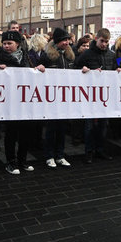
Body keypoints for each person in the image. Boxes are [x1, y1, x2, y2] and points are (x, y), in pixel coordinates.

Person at [0, 31, 44, 175]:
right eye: (4, 43)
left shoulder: (27, 57)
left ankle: (22, 160)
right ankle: (11, 162)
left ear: (17, 44)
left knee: (26, 134)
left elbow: (32, 74)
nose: (6, 46)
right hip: (9, 103)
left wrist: (39, 70)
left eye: (9, 43)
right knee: (11, 134)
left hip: (25, 102)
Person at [75, 28, 119, 163]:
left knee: (103, 125)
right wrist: (83, 70)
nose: (104, 44)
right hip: (90, 95)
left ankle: (99, 149)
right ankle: (89, 151)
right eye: (102, 41)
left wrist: (117, 70)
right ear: (96, 39)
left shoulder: (112, 55)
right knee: (89, 126)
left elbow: (113, 69)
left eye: (106, 42)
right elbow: (75, 68)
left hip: (105, 96)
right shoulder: (87, 54)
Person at [39, 28, 75, 168]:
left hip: (65, 98)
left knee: (62, 129)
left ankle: (60, 155)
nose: (67, 42)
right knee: (51, 129)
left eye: (68, 40)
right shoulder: (47, 55)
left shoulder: (69, 55)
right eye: (64, 40)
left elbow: (75, 70)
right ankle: (49, 156)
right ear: (57, 41)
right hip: (52, 98)